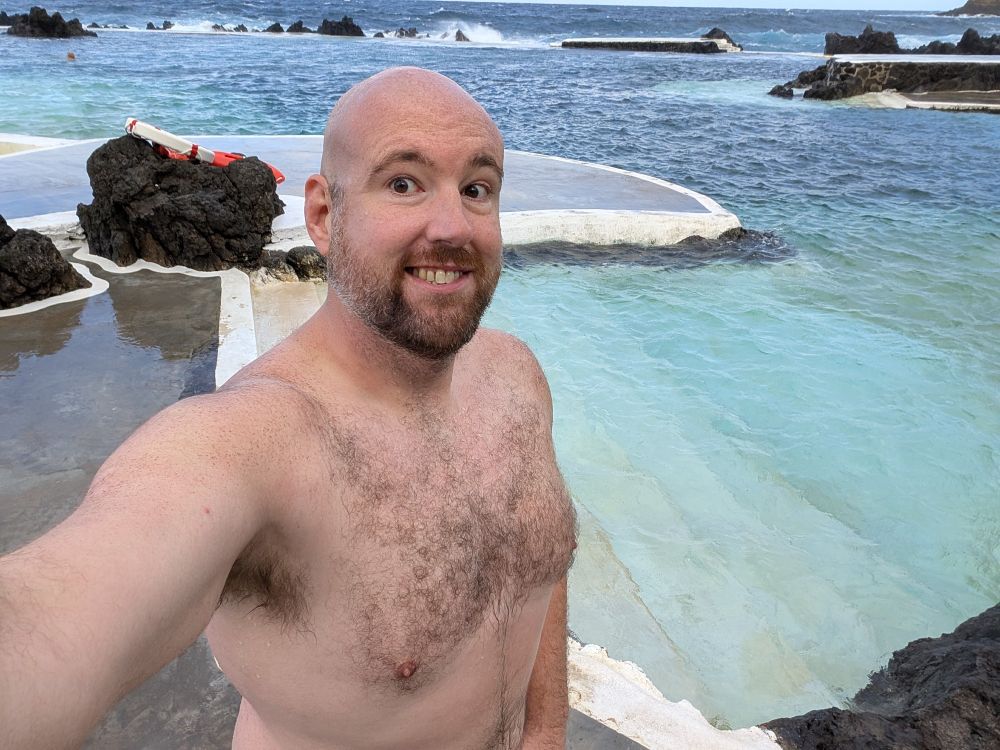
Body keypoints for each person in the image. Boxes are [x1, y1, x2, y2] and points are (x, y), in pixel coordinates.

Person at [0, 67, 578, 749]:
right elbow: (50, 620)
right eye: (403, 183)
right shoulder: (253, 444)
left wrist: (546, 732)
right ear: (324, 217)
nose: (452, 224)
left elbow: (539, 568)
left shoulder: (515, 377)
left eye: (477, 189)